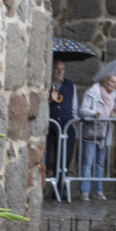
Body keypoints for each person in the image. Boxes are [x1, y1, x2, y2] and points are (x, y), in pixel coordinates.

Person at [77, 74, 116, 201]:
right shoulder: (92, 93)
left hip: (105, 133)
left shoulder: (115, 96)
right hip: (91, 131)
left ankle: (98, 190)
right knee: (88, 162)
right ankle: (85, 191)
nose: (115, 85)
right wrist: (94, 114)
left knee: (100, 163)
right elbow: (82, 110)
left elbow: (114, 113)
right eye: (113, 82)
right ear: (105, 82)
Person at [46, 59, 77, 187]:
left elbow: (74, 105)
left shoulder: (70, 85)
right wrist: (49, 99)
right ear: (52, 70)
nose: (59, 72)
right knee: (45, 158)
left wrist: (74, 121)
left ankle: (60, 189)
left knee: (64, 160)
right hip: (50, 127)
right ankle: (42, 188)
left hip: (66, 127)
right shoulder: (47, 84)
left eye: (62, 69)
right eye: (57, 69)